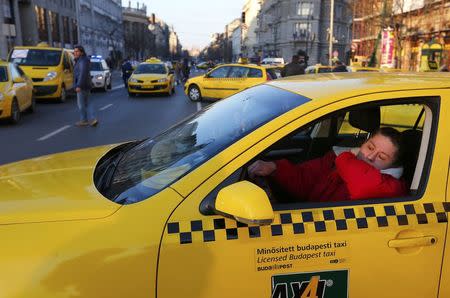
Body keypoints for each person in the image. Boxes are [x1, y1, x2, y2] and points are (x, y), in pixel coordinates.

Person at [248, 127, 407, 202]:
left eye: (382, 156)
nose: (370, 156)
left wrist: (345, 157)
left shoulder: (391, 186)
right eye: (370, 147)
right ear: (363, 143)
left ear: (392, 166)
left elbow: (362, 186)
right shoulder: (334, 160)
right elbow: (304, 178)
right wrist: (275, 169)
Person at [73, 45, 97, 126]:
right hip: (86, 84)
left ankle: (84, 120)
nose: (75, 53)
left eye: (77, 51)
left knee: (81, 104)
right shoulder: (83, 60)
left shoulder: (82, 61)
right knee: (88, 103)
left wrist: (78, 85)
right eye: (74, 51)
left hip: (82, 85)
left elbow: (82, 74)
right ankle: (93, 119)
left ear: (81, 52)